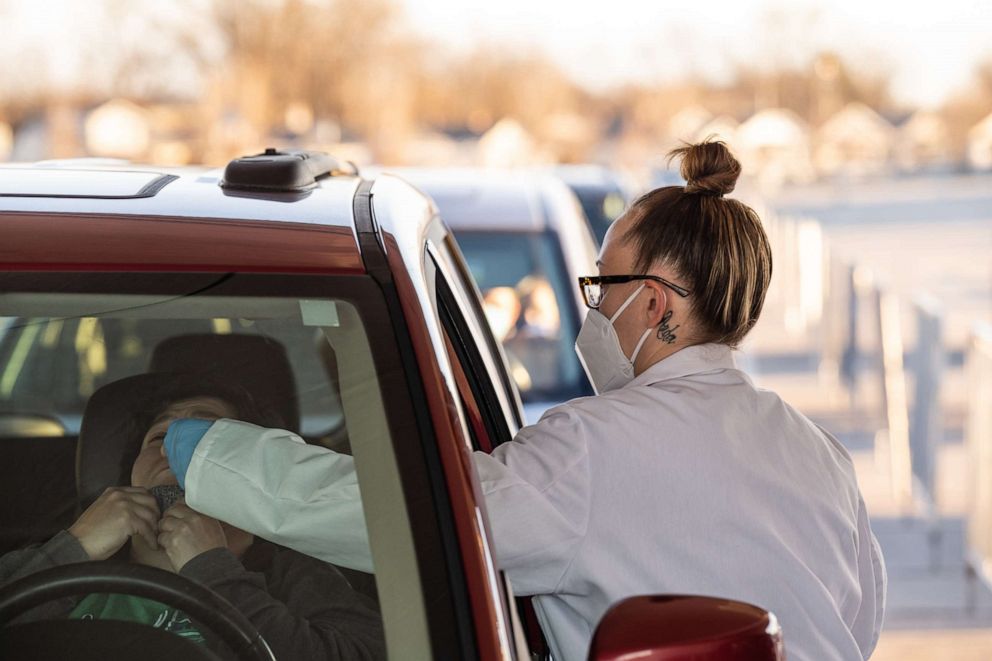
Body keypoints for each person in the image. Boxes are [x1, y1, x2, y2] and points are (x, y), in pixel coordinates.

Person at [162, 141, 886, 661]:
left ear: (654, 302)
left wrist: (198, 448)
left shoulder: (589, 453)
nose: (592, 312)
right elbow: (856, 625)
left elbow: (401, 511)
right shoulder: (820, 453)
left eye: (601, 287)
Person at [0, 374, 386, 660]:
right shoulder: (62, 565)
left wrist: (213, 571)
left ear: (249, 464)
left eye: (200, 437)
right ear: (130, 473)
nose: (171, 452)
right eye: (157, 439)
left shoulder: (291, 574)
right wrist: (74, 547)